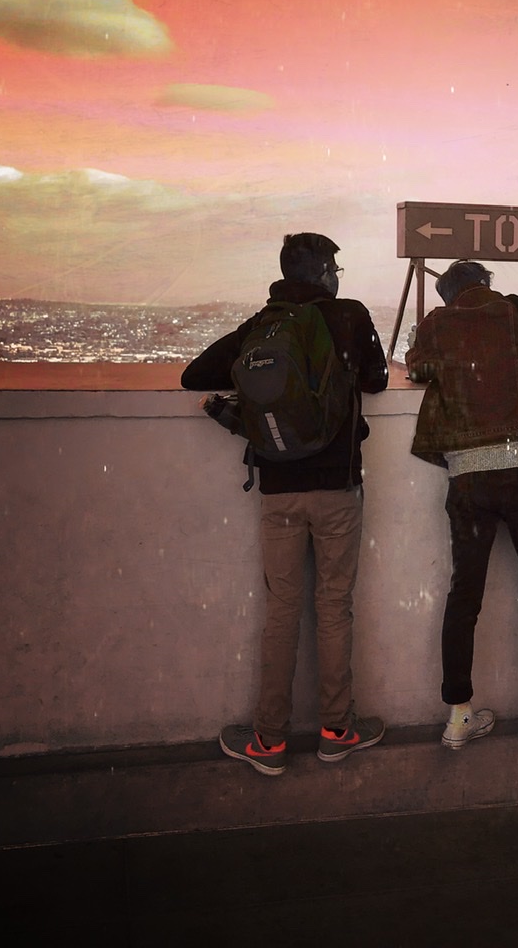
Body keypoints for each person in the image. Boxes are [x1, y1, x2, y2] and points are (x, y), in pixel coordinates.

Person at [181, 232, 389, 775]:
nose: (337, 276)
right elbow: (378, 379)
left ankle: (268, 740)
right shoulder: (350, 316)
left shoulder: (263, 324)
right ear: (322, 273)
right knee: (334, 607)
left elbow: (193, 375)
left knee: (281, 612)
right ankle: (336, 731)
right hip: (337, 487)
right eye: (334, 268)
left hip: (278, 490)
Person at [406, 260, 518, 750]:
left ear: (448, 294)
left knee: (464, 595)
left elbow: (416, 368)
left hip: (469, 477)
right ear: (486, 283)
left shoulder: (438, 323)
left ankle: (459, 716)